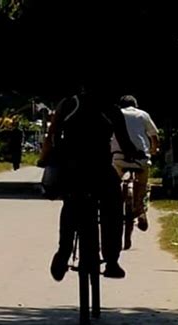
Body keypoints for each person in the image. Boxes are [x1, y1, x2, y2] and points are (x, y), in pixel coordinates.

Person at [38, 85, 141, 280]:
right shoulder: (111, 110)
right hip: (100, 170)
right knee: (113, 209)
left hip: (71, 170)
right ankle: (111, 261)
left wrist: (46, 158)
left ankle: (63, 253)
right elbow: (125, 143)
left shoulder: (69, 104)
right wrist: (135, 154)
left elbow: (52, 135)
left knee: (70, 205)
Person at [111, 95, 159, 231]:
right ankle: (140, 208)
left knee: (113, 183)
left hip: (118, 157)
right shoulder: (143, 115)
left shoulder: (116, 114)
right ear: (136, 105)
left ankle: (113, 206)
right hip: (140, 159)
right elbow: (154, 136)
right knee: (142, 183)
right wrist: (153, 150)